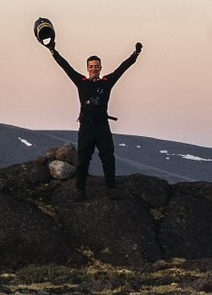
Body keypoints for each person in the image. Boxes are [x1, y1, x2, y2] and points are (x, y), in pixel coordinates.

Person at [43, 32, 142, 198]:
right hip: (86, 126)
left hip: (102, 125)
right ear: (87, 68)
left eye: (96, 66)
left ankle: (111, 190)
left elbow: (121, 69)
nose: (93, 69)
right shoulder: (81, 82)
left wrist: (135, 54)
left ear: (100, 68)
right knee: (83, 159)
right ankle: (79, 191)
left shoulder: (107, 82)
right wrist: (53, 51)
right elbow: (65, 66)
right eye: (91, 66)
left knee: (108, 158)